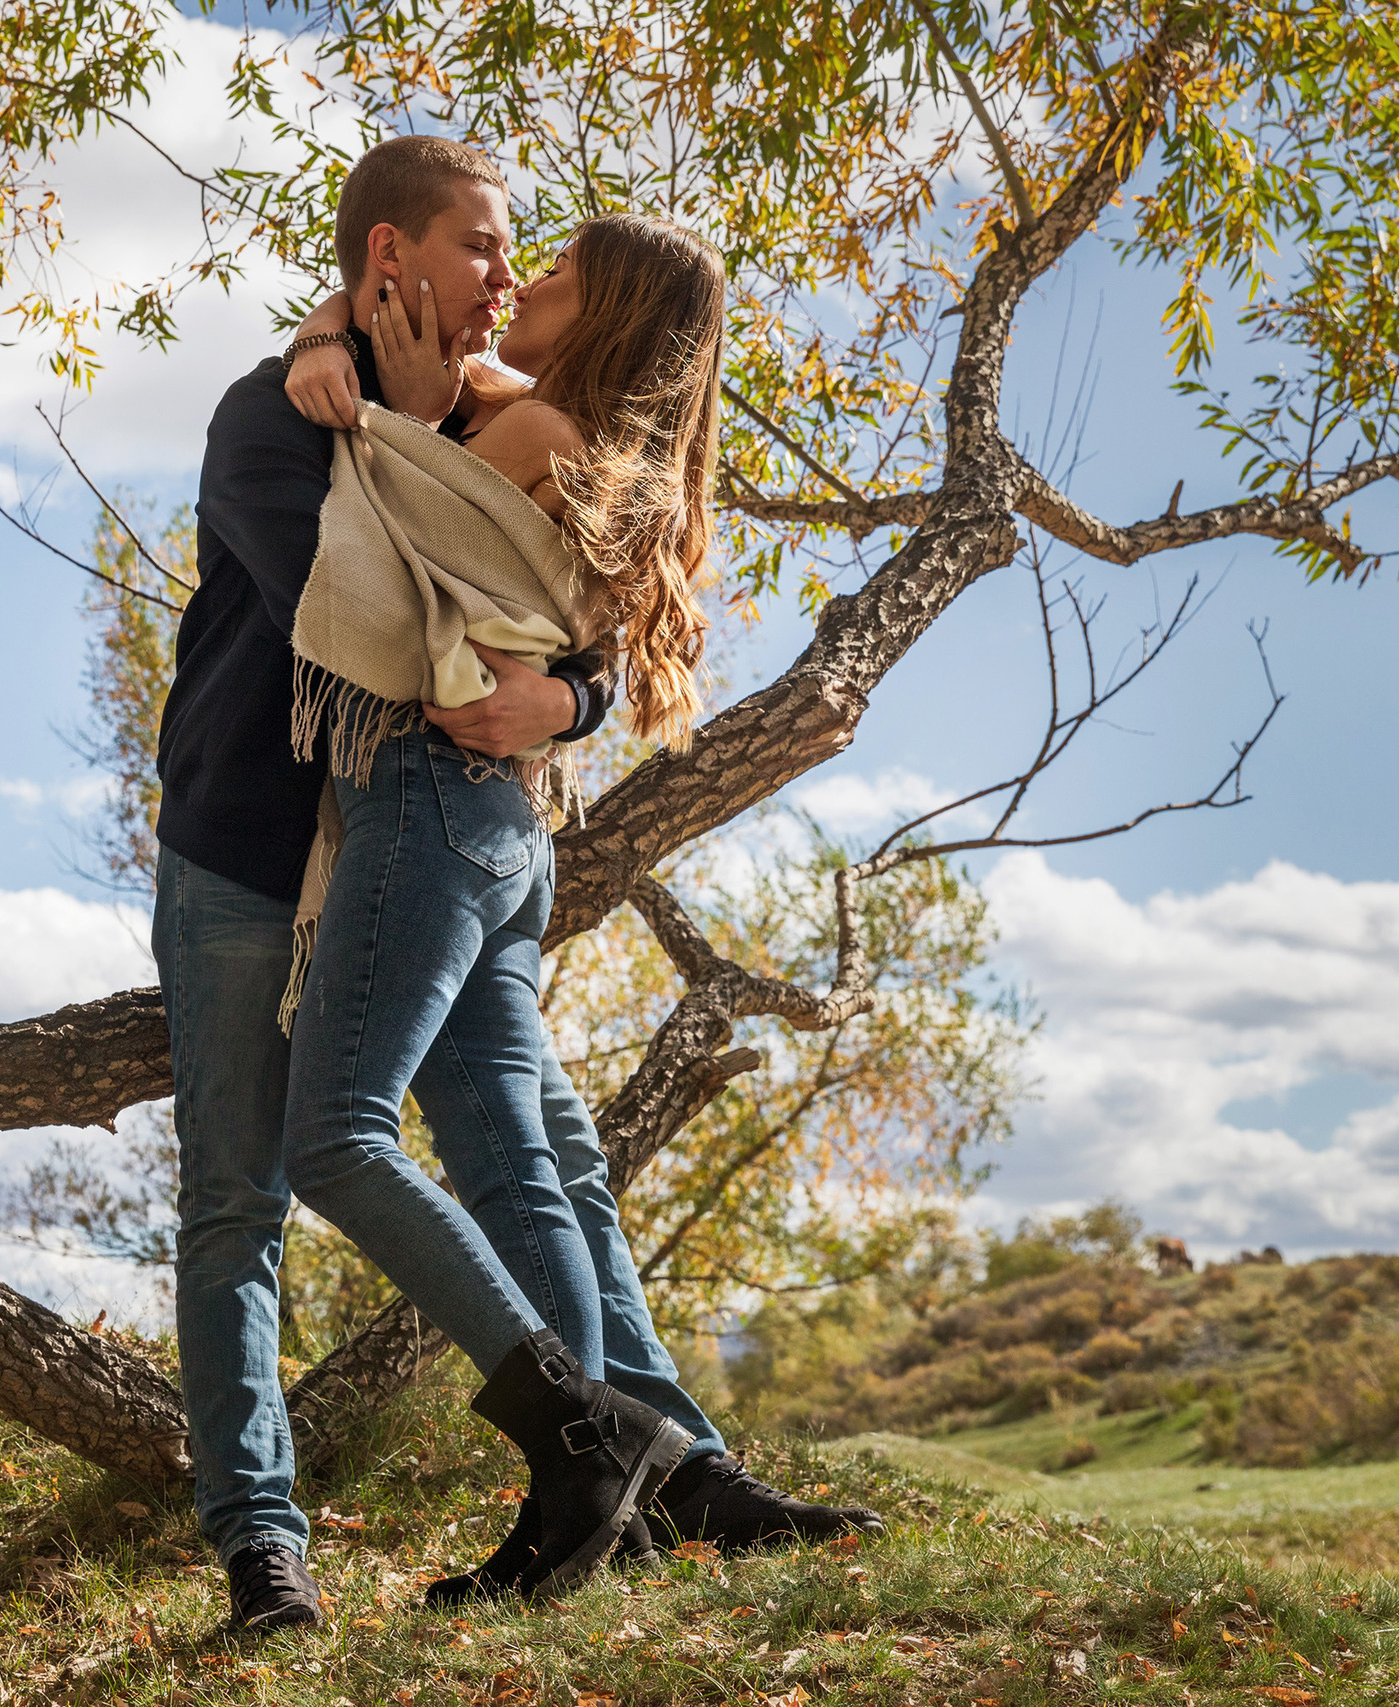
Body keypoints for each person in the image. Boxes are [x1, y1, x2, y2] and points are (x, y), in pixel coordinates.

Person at [158, 136, 872, 1634]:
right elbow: (369, 615)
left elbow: (553, 592)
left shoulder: (471, 408)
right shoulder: (272, 422)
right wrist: (332, 354)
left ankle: (667, 1470)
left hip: (428, 827)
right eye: (487, 248)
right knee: (242, 1202)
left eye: (529, 259)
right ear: (390, 263)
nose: (508, 277)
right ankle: (263, 1553)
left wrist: (578, 703)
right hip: (248, 852)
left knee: (531, 1156)